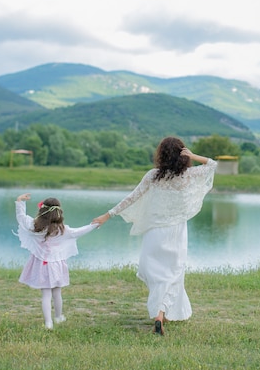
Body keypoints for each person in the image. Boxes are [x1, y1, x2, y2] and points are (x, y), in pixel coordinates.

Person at [93, 137, 217, 336]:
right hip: (176, 231)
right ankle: (161, 313)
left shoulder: (153, 176)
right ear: (181, 154)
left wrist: (107, 215)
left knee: (153, 272)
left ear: (161, 154)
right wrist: (192, 155)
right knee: (173, 272)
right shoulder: (188, 175)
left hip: (155, 232)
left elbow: (131, 197)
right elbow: (212, 164)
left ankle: (159, 314)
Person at [14, 192, 99, 330]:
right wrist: (94, 225)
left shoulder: (34, 226)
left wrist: (20, 202)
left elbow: (21, 218)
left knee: (46, 294)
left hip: (41, 264)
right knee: (57, 293)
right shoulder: (64, 230)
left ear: (42, 211)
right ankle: (58, 317)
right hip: (56, 265)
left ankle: (48, 323)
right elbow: (80, 231)